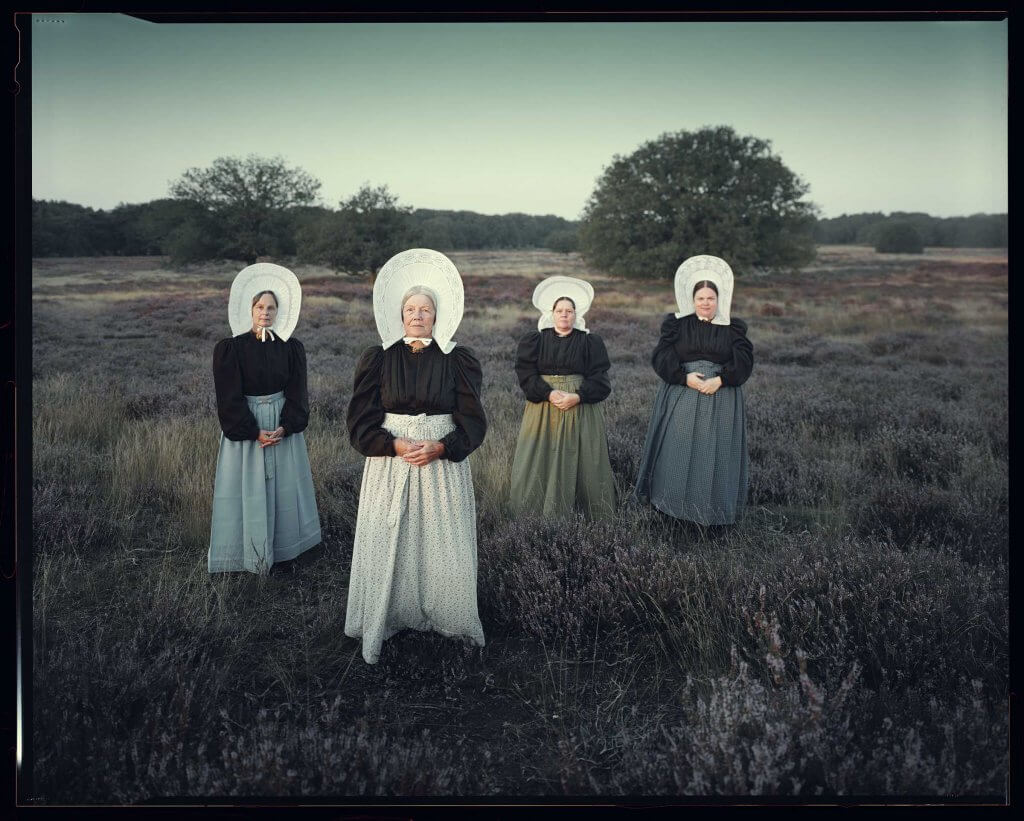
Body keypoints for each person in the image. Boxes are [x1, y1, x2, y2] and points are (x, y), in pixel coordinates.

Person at [345, 248, 487, 664]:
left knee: (441, 537)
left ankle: (447, 614)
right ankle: (389, 614)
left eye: (426, 309)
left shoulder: (457, 359)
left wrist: (443, 446)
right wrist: (393, 444)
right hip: (393, 463)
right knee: (390, 536)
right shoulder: (379, 357)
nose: (418, 315)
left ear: (437, 316)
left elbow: (474, 421)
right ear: (399, 314)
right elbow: (359, 420)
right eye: (411, 308)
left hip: (440, 464)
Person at [208, 263, 322, 573]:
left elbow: (298, 392)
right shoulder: (231, 348)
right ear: (250, 309)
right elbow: (228, 397)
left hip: (282, 425)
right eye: (260, 306)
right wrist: (252, 430)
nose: (265, 312)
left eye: (271, 307)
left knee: (285, 489)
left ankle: (286, 552)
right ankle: (247, 557)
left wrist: (286, 426)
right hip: (248, 427)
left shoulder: (291, 348)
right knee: (249, 491)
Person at [633, 254, 753, 527]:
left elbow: (744, 363)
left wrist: (720, 379)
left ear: (719, 299)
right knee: (678, 447)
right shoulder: (677, 324)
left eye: (711, 298)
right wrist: (684, 377)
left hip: (721, 396)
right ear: (692, 299)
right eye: (701, 298)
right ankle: (672, 512)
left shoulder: (733, 328)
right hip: (683, 392)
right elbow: (661, 356)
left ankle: (713, 516)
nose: (706, 303)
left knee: (717, 453)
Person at [508, 275, 616, 520]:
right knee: (538, 457)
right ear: (552, 312)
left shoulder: (590, 342)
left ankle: (588, 515)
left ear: (576, 314)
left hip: (579, 407)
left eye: (569, 311)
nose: (565, 315)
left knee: (584, 459)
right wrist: (548, 392)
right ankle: (533, 514)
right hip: (543, 409)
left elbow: (600, 379)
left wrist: (577, 397)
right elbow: (525, 374)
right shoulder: (535, 340)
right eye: (560, 310)